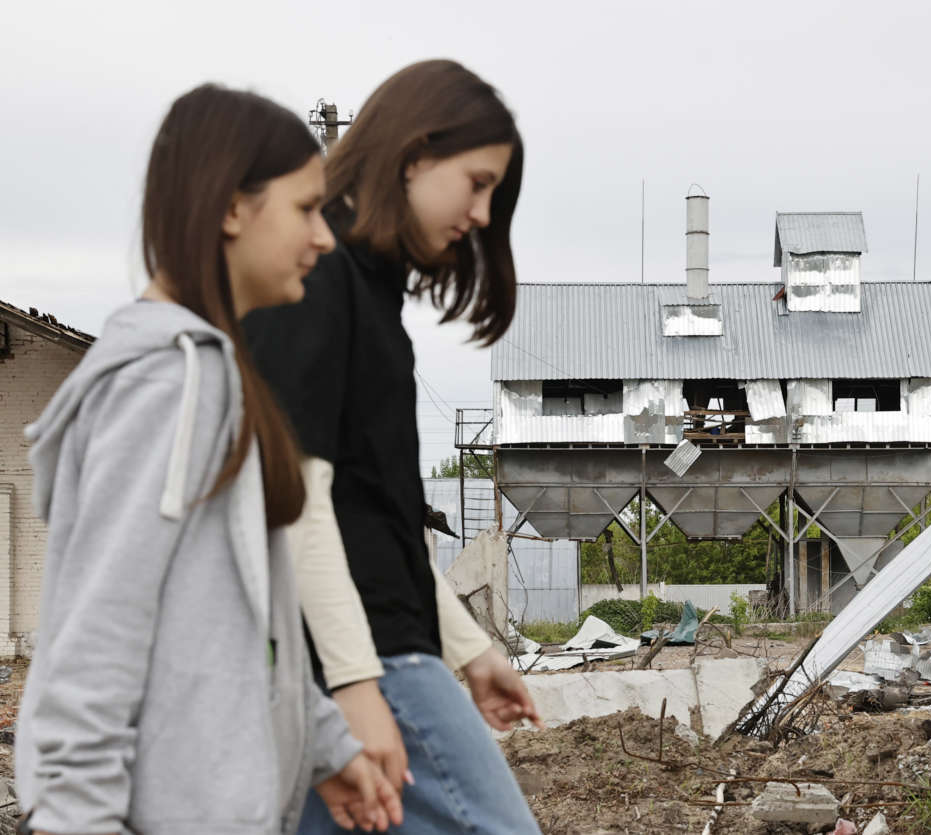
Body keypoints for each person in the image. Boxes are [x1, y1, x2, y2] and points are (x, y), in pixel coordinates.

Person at [15, 84, 404, 835]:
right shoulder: (167, 385)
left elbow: (236, 632)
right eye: (304, 209)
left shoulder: (217, 375)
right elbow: (91, 651)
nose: (325, 239)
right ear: (230, 207)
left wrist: (327, 745)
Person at [244, 60, 542, 834]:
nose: (481, 214)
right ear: (414, 155)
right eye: (475, 183)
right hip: (368, 660)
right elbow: (291, 499)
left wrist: (472, 650)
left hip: (365, 655)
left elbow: (379, 520)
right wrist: (353, 685)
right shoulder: (319, 274)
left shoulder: (367, 290)